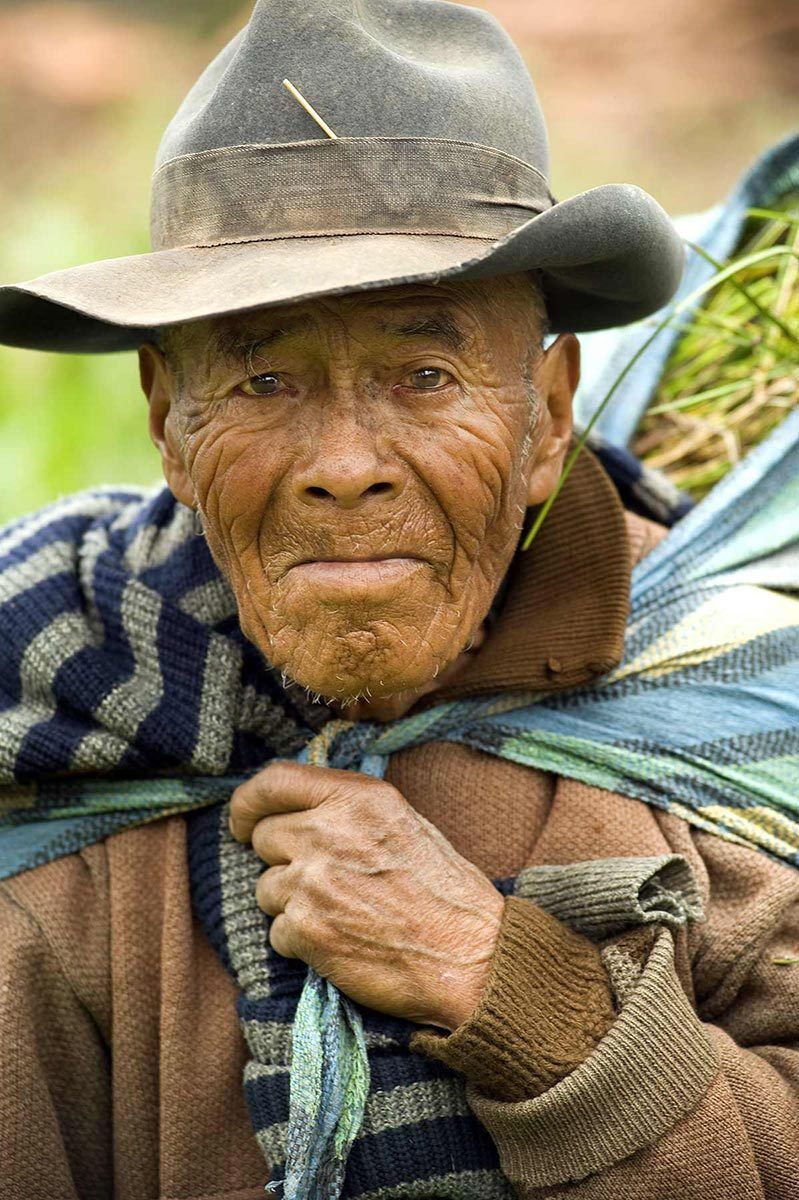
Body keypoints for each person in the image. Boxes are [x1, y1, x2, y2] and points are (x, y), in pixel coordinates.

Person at [0, 2, 797, 1198]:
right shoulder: (54, 696)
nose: (344, 461)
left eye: (425, 376)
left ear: (548, 410)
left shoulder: (746, 708)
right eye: (263, 380)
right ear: (169, 420)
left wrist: (507, 988)